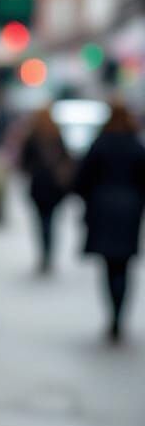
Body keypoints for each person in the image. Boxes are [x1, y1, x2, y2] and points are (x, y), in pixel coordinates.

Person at [73, 102, 145, 342]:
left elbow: (82, 178)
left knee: (108, 266)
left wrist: (88, 199)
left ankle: (113, 317)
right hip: (129, 211)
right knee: (123, 266)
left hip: (102, 208)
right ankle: (119, 317)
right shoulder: (136, 145)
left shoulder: (100, 144)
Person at [19, 105, 72, 273]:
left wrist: (34, 170)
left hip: (39, 186)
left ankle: (44, 255)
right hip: (53, 187)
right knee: (51, 222)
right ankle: (49, 254)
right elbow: (66, 158)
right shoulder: (57, 136)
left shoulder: (32, 137)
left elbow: (24, 162)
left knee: (41, 222)